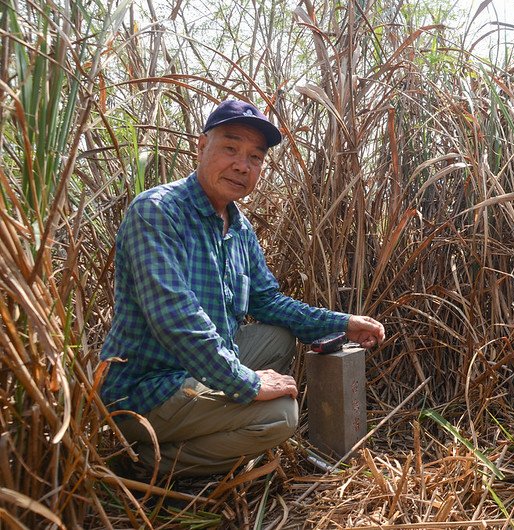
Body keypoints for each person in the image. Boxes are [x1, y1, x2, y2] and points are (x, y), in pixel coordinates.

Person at [100, 99, 384, 478]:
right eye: (230, 148)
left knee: (278, 337)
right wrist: (247, 384)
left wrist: (343, 322)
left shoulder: (238, 227)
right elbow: (176, 321)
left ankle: (211, 437)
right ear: (201, 148)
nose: (241, 165)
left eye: (255, 157)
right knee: (279, 417)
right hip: (145, 389)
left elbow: (267, 301)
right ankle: (142, 463)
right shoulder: (157, 211)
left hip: (198, 370)